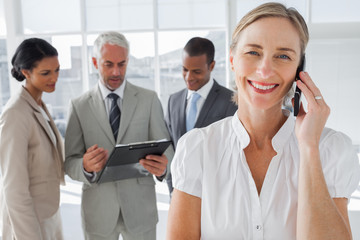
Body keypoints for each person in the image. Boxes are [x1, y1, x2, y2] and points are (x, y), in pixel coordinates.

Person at [167, 3, 360, 240]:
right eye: (253, 52)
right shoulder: (197, 148)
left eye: (283, 55)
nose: (265, 70)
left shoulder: (329, 149)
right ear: (232, 60)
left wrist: (309, 149)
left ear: (300, 70)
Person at [64, 31, 174, 240]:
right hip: (98, 214)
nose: (116, 71)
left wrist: (164, 168)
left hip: (141, 211)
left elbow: (167, 149)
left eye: (122, 64)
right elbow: (69, 162)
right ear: (95, 62)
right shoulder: (79, 106)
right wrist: (85, 167)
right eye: (108, 64)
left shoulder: (148, 99)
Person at [0, 38, 64, 239]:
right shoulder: (15, 114)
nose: (54, 78)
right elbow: (14, 190)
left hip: (48, 217)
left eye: (57, 70)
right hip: (28, 226)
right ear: (26, 72)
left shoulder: (38, 105)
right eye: (45, 73)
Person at [165, 37, 237, 194]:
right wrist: (172, 189)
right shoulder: (173, 101)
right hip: (178, 194)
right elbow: (170, 149)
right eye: (185, 69)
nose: (189, 77)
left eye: (196, 71)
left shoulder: (231, 101)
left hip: (216, 196)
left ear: (211, 66)